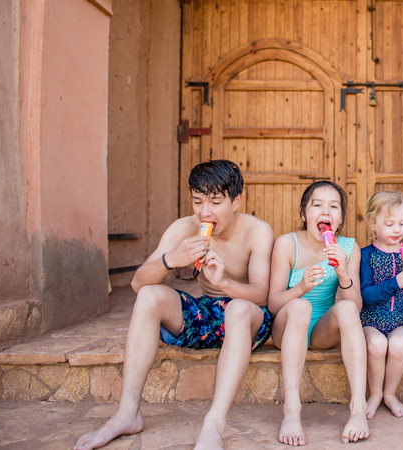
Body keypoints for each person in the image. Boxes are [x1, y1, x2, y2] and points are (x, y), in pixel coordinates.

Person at [75, 160, 274, 450]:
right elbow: (137, 283)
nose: (205, 212)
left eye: (216, 202)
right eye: (198, 201)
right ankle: (127, 412)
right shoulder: (183, 228)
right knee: (149, 296)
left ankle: (213, 424)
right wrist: (171, 260)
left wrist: (224, 284)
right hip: (205, 314)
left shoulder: (258, 231)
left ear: (236, 201)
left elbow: (262, 295)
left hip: (246, 316)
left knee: (238, 309)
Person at [267, 181, 368, 446]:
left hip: (322, 330)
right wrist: (300, 288)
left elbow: (355, 307)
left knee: (345, 307)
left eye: (333, 206)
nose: (326, 211)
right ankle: (291, 410)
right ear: (304, 214)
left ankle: (358, 410)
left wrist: (343, 273)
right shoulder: (287, 244)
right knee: (301, 306)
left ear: (340, 218)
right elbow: (273, 304)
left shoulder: (349, 248)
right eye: (317, 205)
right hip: (288, 324)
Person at [359, 191, 403, 418]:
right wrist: (395, 282)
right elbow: (365, 295)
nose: (397, 230)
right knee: (377, 345)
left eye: (402, 223)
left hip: (400, 321)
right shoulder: (366, 256)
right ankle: (375, 394)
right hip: (371, 321)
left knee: (399, 345)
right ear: (373, 223)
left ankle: (390, 394)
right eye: (390, 224)